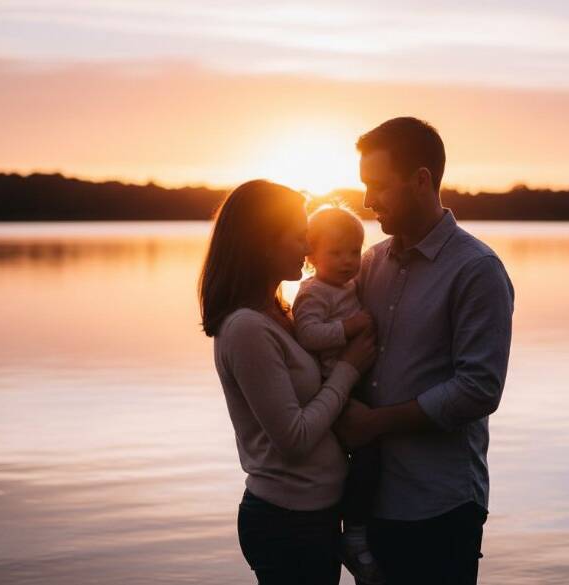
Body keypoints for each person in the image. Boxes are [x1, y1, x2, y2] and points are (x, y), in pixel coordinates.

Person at [334, 117, 515, 585]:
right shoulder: (369, 264)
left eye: (377, 186)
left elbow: (479, 389)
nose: (368, 201)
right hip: (373, 503)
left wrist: (377, 422)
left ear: (421, 180)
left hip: (442, 505)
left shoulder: (477, 270)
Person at [199, 180, 377, 585]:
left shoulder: (279, 314)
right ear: (263, 243)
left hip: (312, 517)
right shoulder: (247, 329)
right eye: (299, 236)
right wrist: (349, 369)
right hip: (288, 522)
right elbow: (293, 438)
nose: (307, 245)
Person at [291, 205, 385, 584]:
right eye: (336, 253)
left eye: (354, 251)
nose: (348, 261)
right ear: (311, 256)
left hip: (355, 380)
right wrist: (349, 327)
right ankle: (355, 533)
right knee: (366, 455)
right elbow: (308, 334)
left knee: (372, 456)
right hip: (336, 386)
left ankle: (360, 525)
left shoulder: (349, 285)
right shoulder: (312, 293)